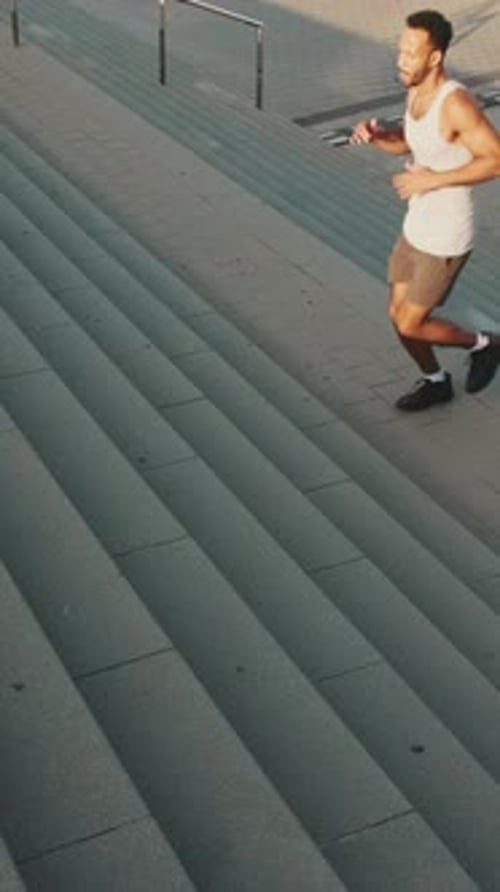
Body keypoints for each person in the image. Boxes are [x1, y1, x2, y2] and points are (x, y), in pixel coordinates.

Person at [351, 9, 500, 410]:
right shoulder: (415, 89)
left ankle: (487, 344)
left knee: (411, 321)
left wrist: (429, 180)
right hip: (416, 227)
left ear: (434, 58)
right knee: (397, 317)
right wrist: (378, 136)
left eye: (411, 53)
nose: (401, 60)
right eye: (400, 51)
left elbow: (496, 159)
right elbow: (408, 141)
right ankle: (436, 381)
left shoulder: (457, 104)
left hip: (447, 237)